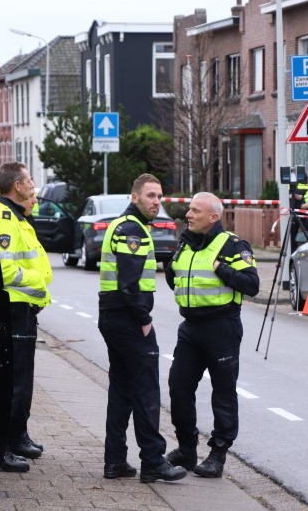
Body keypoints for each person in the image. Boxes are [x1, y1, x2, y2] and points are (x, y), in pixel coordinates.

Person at [98, 173, 187, 484]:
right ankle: (152, 461)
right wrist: (144, 319)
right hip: (128, 320)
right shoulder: (132, 230)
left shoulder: (122, 226)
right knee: (146, 391)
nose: (156, 202)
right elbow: (128, 282)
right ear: (134, 197)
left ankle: (115, 461)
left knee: (121, 391)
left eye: (159, 196)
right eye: (150, 196)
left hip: (114, 318)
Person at [164, 192, 259, 479]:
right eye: (189, 210)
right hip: (190, 328)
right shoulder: (186, 243)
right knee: (178, 387)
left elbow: (252, 285)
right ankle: (186, 449)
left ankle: (218, 454)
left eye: (195, 211)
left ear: (213, 217)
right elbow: (174, 276)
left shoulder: (232, 245)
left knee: (223, 392)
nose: (188, 215)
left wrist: (222, 269)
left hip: (222, 327)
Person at [0, 162, 52, 472]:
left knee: (23, 380)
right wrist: (37, 282)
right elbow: (5, 271)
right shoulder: (3, 220)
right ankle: (5, 448)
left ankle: (18, 437)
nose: (32, 185)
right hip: (13, 311)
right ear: (17, 185)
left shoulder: (16, 217)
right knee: (13, 382)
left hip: (24, 311)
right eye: (29, 180)